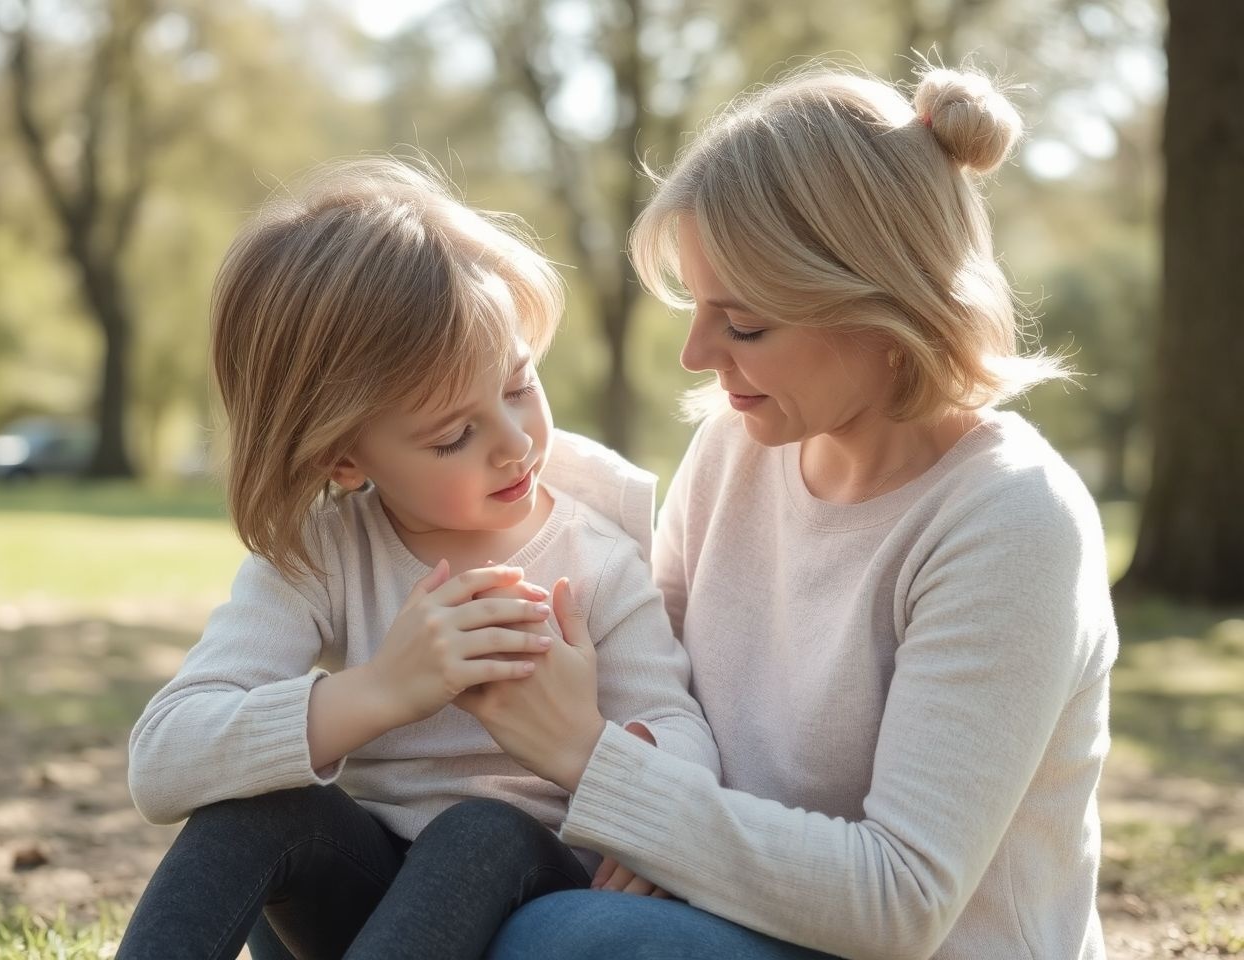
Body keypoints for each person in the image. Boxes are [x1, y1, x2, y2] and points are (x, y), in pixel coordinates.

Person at [465, 63, 1118, 959]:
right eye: (698, 308)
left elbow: (900, 903)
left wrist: (594, 763)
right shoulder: (735, 451)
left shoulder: (1011, 520)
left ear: (885, 314)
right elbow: (654, 702)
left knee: (569, 941)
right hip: (726, 919)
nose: (697, 352)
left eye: (745, 325)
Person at [116, 157, 718, 960]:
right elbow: (163, 760)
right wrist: (381, 691)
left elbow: (684, 729)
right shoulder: (325, 555)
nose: (513, 446)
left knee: (479, 831)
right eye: (451, 436)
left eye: (517, 385)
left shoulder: (594, 554)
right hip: (363, 904)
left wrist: (633, 776)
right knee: (255, 809)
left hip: (533, 902)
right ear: (344, 460)